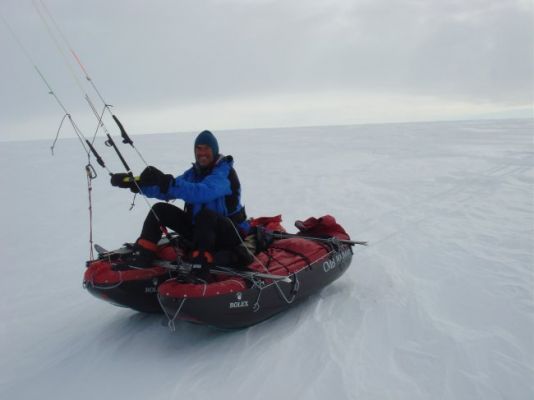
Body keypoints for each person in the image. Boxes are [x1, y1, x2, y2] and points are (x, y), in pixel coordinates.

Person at [110, 130, 252, 271]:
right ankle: (141, 257)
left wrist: (169, 183)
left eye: (206, 148)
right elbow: (167, 190)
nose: (202, 153)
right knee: (160, 210)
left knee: (206, 215)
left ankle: (200, 266)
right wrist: (137, 185)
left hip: (228, 235)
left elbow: (202, 192)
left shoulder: (224, 173)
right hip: (200, 232)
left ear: (214, 151)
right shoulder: (192, 174)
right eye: (198, 148)